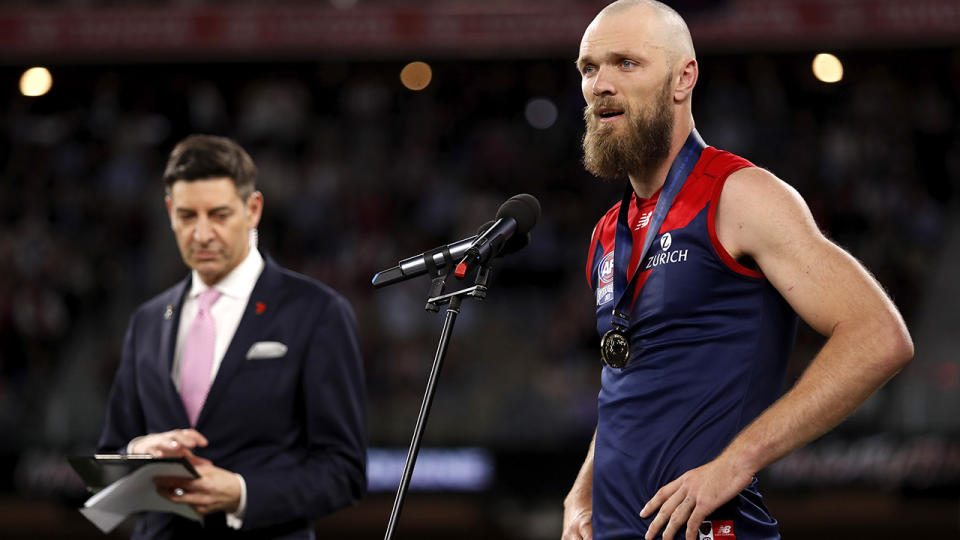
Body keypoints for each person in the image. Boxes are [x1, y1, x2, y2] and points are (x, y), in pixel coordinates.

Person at [561, 2, 913, 540]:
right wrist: (585, 487)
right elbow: (631, 380)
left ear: (684, 78)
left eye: (626, 63)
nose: (600, 84)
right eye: (589, 68)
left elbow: (879, 336)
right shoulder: (609, 231)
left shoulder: (740, 196)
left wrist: (737, 461)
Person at [97, 134, 367, 539]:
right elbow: (110, 457)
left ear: (252, 209)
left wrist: (242, 492)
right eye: (188, 216)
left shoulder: (317, 312)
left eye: (218, 215)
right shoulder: (147, 320)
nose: (202, 234)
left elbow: (344, 471)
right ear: (169, 212)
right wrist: (138, 452)